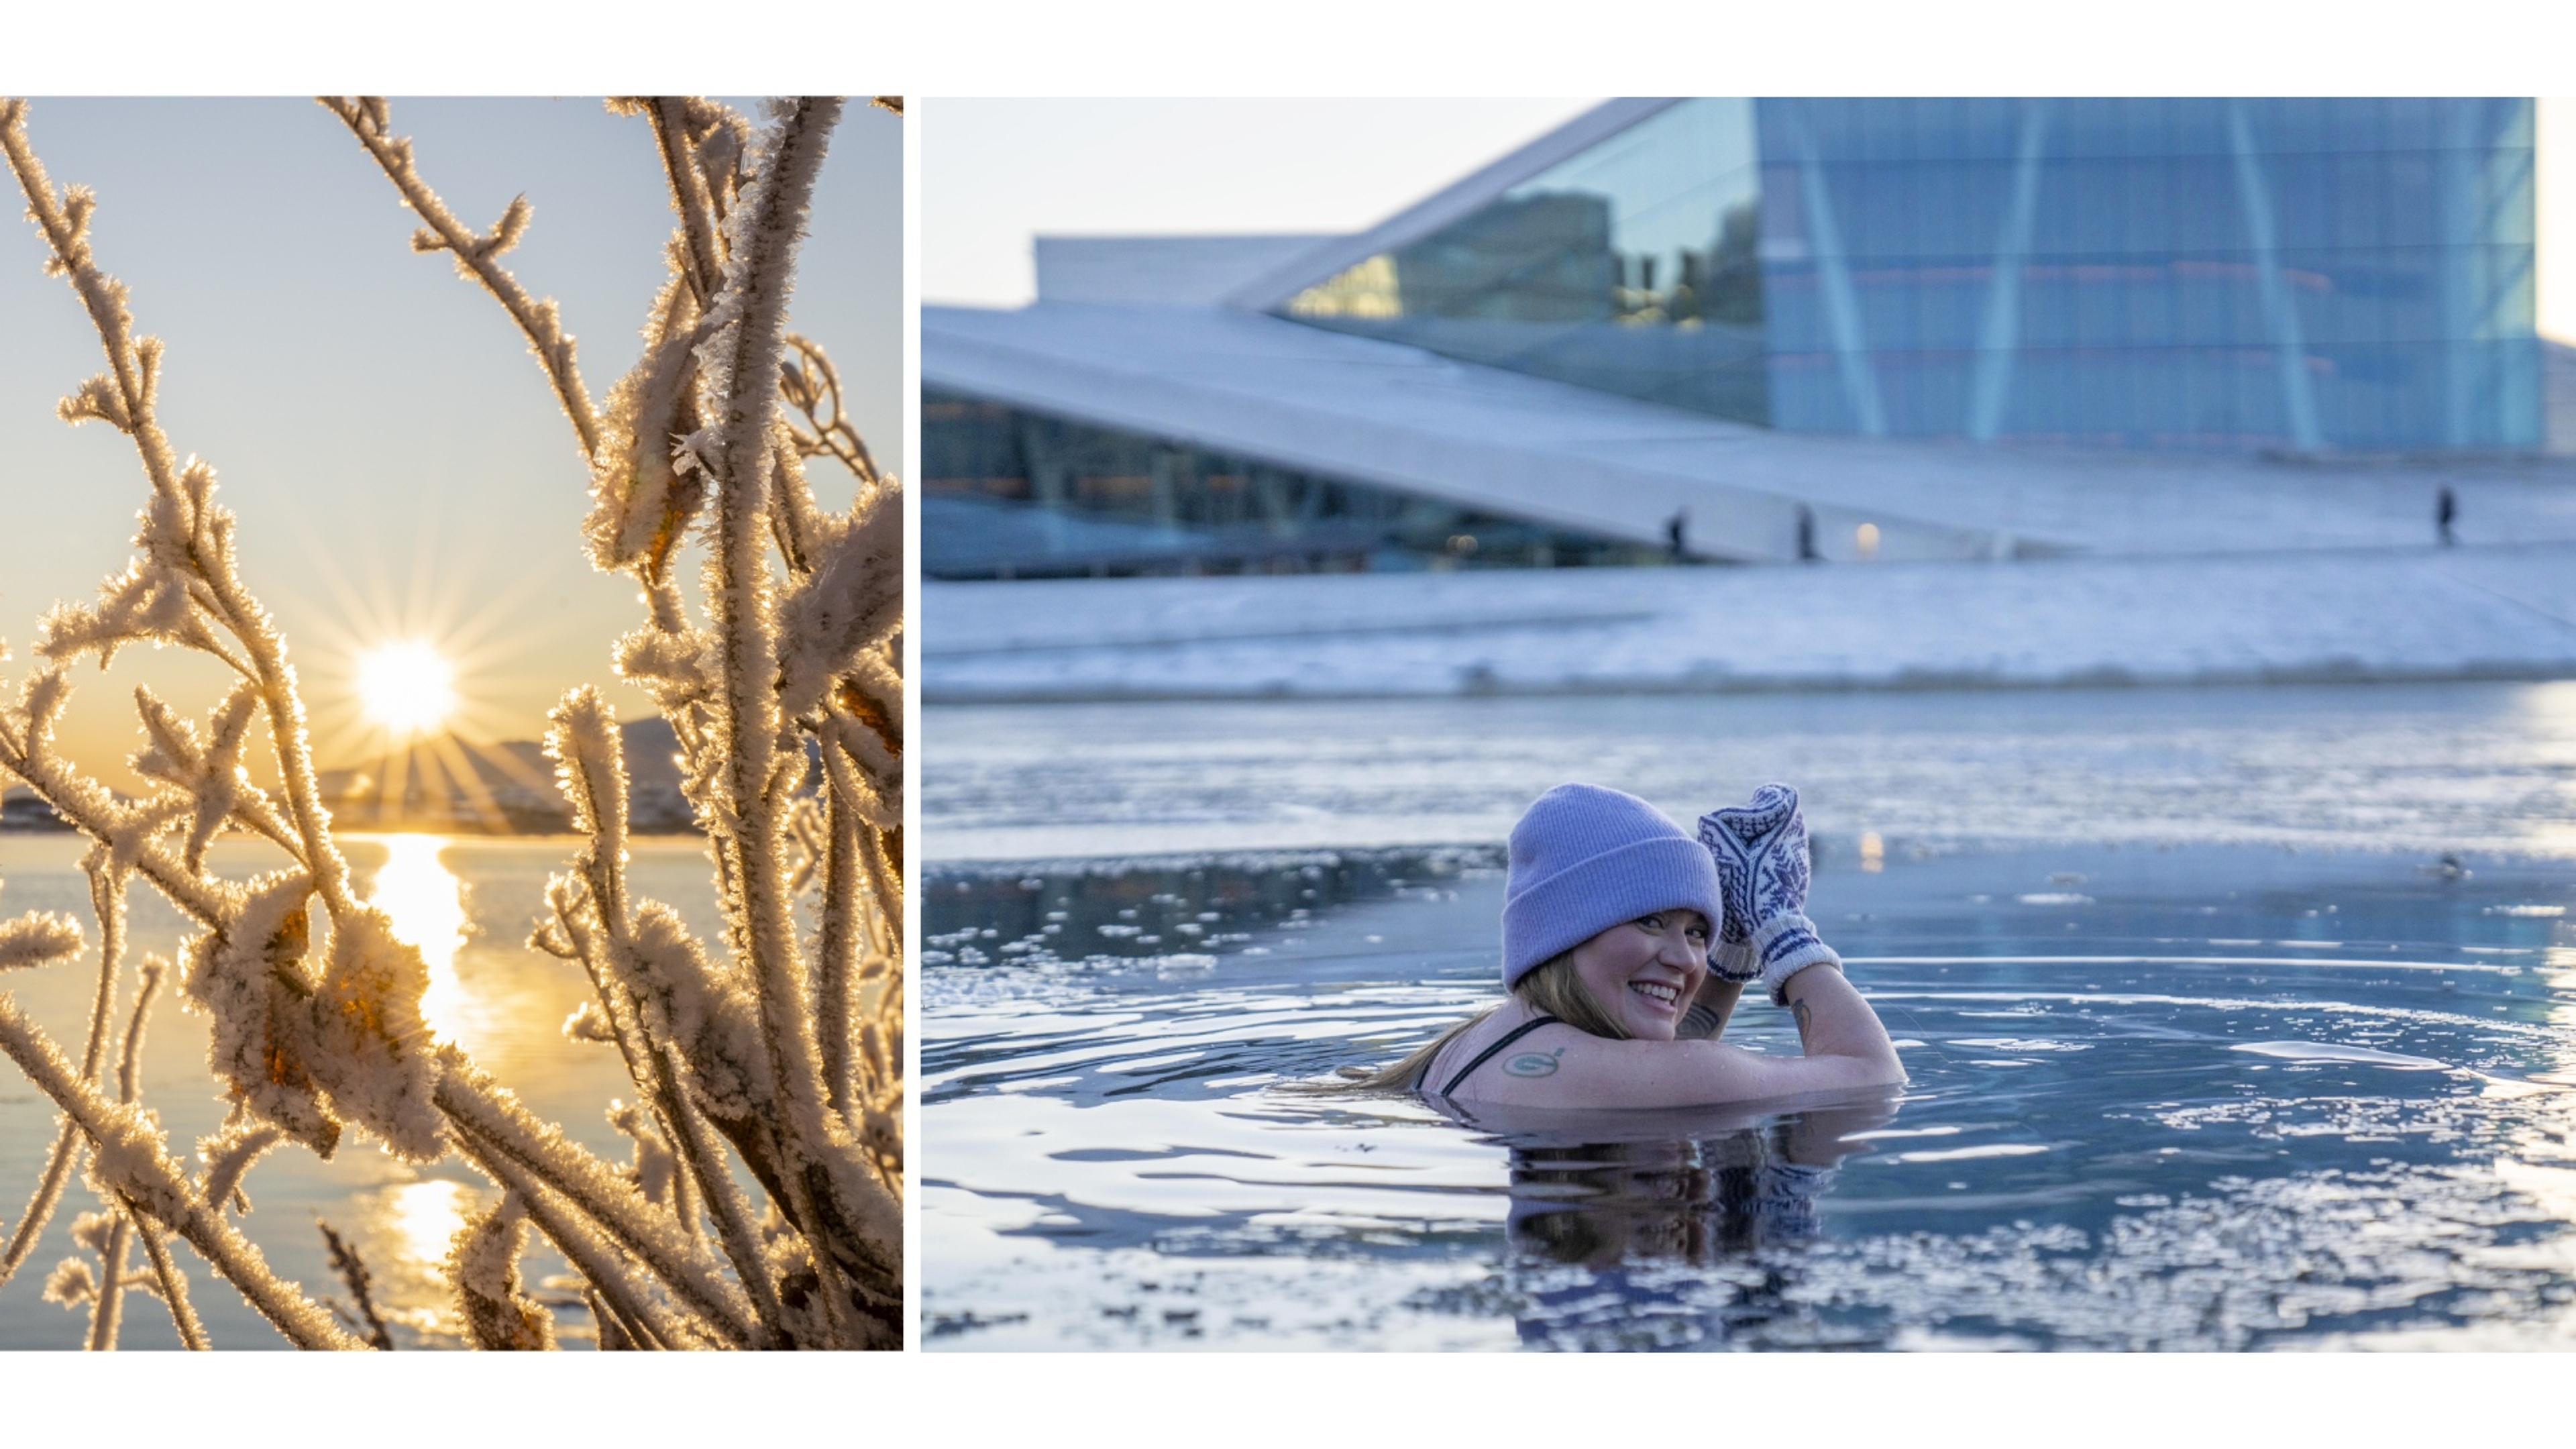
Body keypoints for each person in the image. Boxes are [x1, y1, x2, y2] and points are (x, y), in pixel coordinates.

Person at [1331, 783, 1904, 1108]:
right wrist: (1780, 926)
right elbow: (1873, 1078)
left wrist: (1731, 954)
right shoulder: (1641, 1076)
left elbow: (1656, 1058)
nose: (1686, 960)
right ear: (1565, 930)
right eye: (1651, 922)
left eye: (1697, 931)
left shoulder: (1477, 1041)